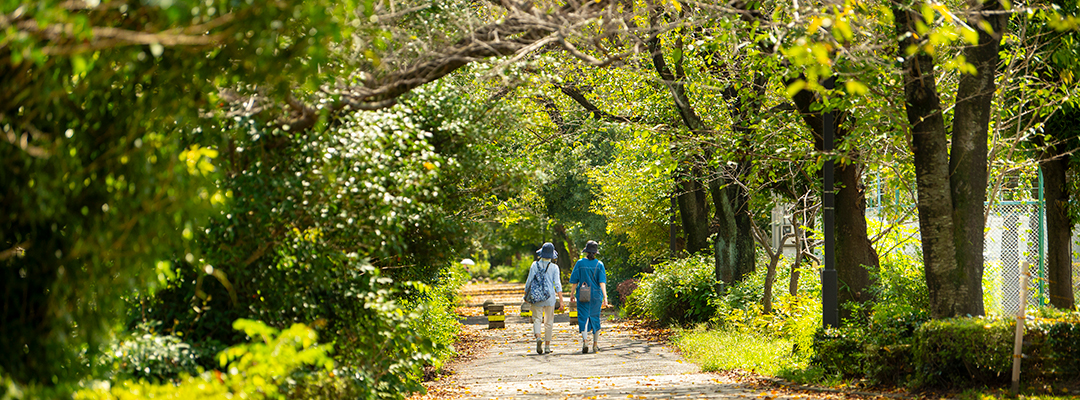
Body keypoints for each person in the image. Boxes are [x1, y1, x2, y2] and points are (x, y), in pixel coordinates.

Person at [523, 242, 563, 354]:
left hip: (536, 296)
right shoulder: (555, 267)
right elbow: (558, 284)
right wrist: (561, 300)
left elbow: (529, 281)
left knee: (537, 319)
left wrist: (526, 294)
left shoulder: (534, 265)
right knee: (549, 322)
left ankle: (538, 338)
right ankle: (547, 347)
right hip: (550, 297)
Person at [569, 240, 607, 354]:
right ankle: (595, 345)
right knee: (595, 318)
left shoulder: (580, 263)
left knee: (583, 318)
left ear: (586, 251)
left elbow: (575, 281)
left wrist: (572, 294)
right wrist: (605, 296)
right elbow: (602, 282)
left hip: (583, 294)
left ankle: (585, 341)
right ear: (595, 252)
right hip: (596, 295)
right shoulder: (599, 264)